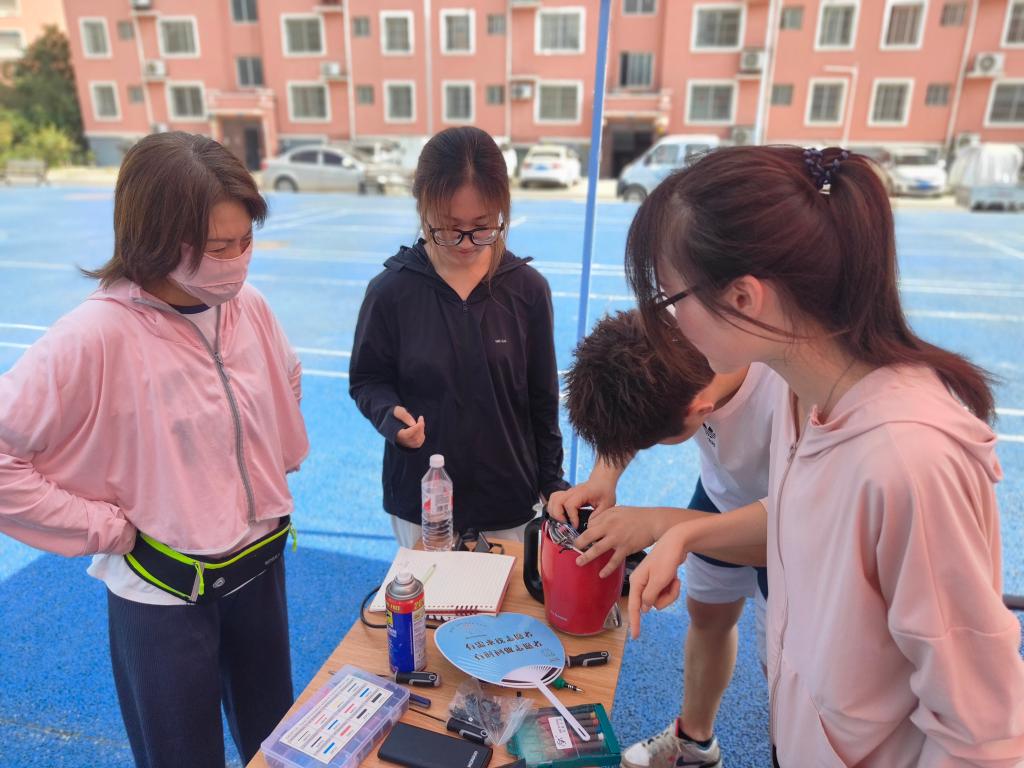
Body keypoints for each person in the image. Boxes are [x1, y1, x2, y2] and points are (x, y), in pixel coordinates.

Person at [617, 146, 1024, 765]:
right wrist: (685, 533)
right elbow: (802, 516)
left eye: (669, 299)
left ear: (744, 298)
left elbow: (981, 732)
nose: (664, 325)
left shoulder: (910, 461)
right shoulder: (802, 396)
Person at [0, 132, 309, 768]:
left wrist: (266, 454)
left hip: (258, 572)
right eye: (217, 247)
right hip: (163, 592)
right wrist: (101, 527)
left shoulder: (248, 307)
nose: (237, 262)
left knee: (278, 750)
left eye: (245, 241)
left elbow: (286, 375)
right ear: (155, 238)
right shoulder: (94, 335)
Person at [548, 309, 782, 768]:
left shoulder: (789, 393)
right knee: (708, 617)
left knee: (787, 669)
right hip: (721, 494)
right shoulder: (676, 326)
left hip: (789, 520)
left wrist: (663, 525)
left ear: (699, 411)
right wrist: (603, 476)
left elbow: (785, 539)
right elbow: (635, 396)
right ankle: (695, 742)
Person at [349, 126, 568, 548]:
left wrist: (551, 482)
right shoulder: (390, 292)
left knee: (509, 593)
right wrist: (389, 416)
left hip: (510, 499)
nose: (466, 244)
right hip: (422, 500)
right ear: (422, 209)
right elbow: (367, 380)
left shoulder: (528, 290)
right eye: (449, 229)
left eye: (482, 227)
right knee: (427, 593)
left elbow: (543, 400)